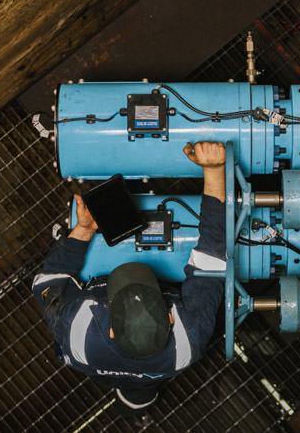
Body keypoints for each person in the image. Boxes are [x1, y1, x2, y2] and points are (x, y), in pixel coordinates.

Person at [32, 141, 226, 416]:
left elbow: (47, 280)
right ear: (170, 318)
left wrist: (84, 230)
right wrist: (215, 170)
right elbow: (212, 253)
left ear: (110, 329)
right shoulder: (188, 337)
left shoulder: (77, 332)